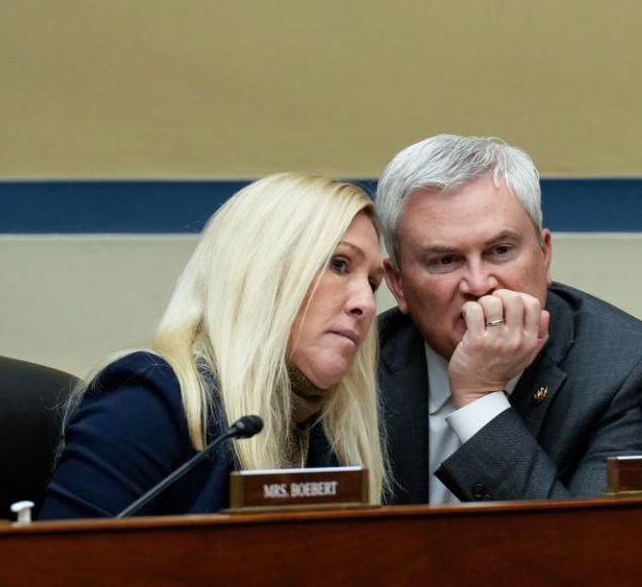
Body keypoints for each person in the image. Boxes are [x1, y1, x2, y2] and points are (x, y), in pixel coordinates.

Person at [41, 174, 387, 518]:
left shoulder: (328, 434)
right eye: (339, 264)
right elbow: (62, 569)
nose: (367, 304)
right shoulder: (147, 404)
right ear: (261, 273)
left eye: (373, 284)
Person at [375, 134, 642, 503]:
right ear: (398, 284)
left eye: (500, 251)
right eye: (445, 260)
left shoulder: (632, 373)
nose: (479, 285)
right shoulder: (357, 366)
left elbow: (585, 549)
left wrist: (480, 399)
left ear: (544, 256)